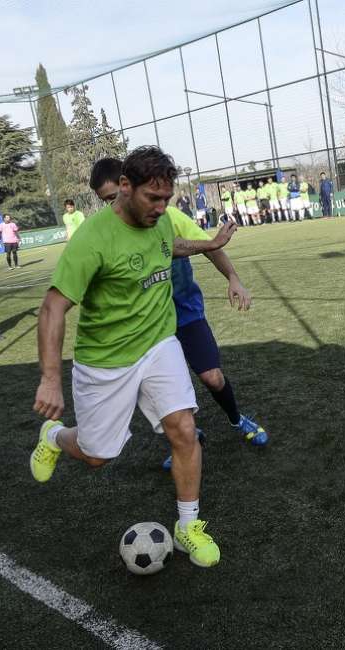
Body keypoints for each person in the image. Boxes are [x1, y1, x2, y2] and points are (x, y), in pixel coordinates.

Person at [30, 146, 236, 568]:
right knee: (96, 456)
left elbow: (169, 246)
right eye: (152, 199)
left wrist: (208, 245)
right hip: (106, 361)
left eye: (167, 200)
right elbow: (53, 307)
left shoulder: (157, 222)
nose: (161, 209)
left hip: (159, 343)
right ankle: (53, 437)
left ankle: (188, 526)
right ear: (125, 187)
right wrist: (50, 379)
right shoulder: (93, 239)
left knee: (184, 428)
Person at [89, 158, 270, 465]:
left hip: (186, 312)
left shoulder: (167, 215)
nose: (114, 204)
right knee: (160, 391)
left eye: (115, 196)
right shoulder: (109, 230)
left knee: (212, 377)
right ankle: (187, 438)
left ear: (128, 185)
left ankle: (237, 418)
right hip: (149, 322)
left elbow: (207, 246)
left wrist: (234, 279)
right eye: (106, 200)